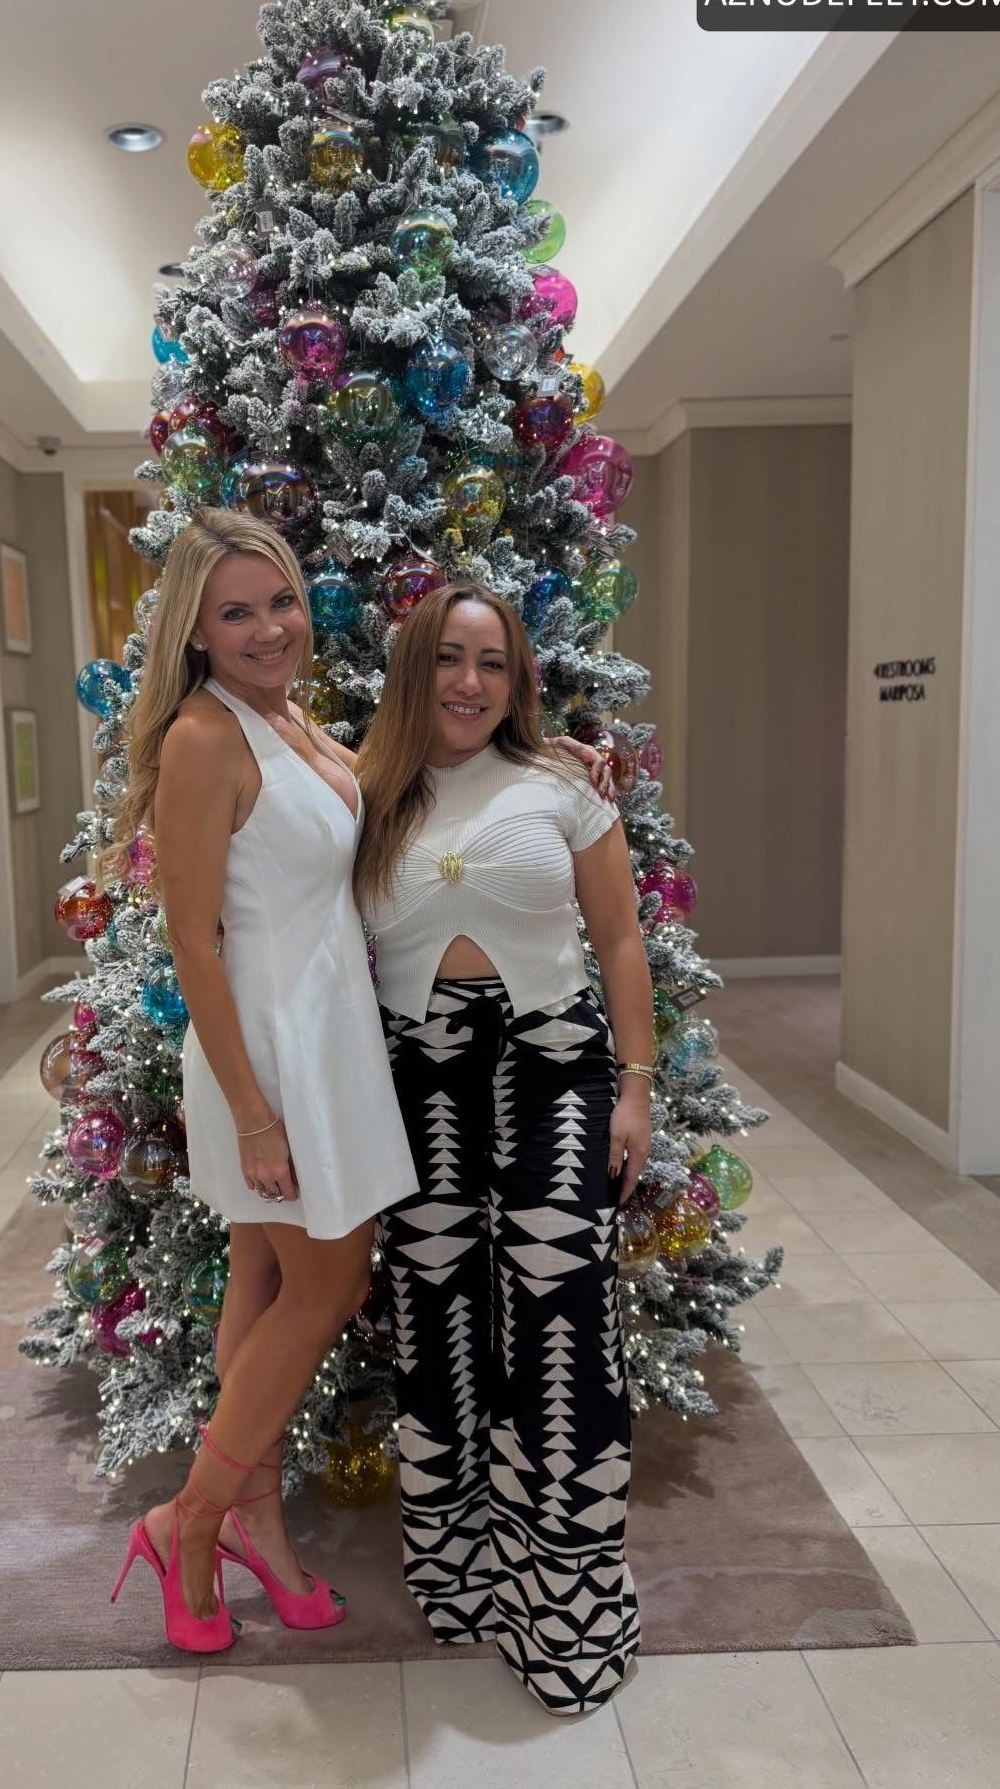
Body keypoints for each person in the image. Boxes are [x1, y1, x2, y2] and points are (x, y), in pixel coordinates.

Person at [110, 508, 419, 1652]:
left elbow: (368, 798)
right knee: (330, 1283)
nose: (268, 627)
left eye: (280, 600)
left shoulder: (285, 714)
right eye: (235, 612)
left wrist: (550, 763)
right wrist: (252, 1113)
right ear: (194, 630)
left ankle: (256, 1530)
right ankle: (189, 1522)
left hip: (327, 1033)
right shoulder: (205, 735)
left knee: (264, 1273)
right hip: (273, 1052)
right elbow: (193, 942)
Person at [356, 580, 652, 1717]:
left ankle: (570, 1612)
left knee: (560, 1310)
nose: (469, 681)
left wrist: (636, 1086)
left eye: (491, 660)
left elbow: (619, 937)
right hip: (416, 1076)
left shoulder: (564, 786)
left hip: (554, 1064)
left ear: (519, 678)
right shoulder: (361, 792)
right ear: (414, 670)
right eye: (447, 657)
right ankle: (461, 1577)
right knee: (434, 1311)